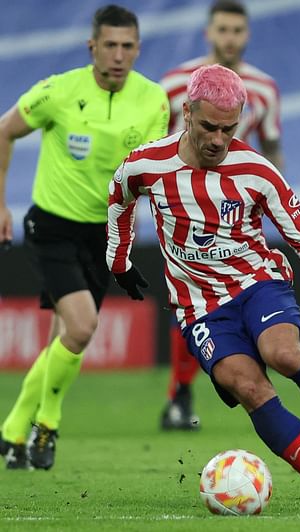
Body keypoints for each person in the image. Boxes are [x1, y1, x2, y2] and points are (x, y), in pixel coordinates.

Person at [107, 64, 300, 517]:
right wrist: (118, 261)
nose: (218, 139)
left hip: (259, 283)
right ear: (187, 112)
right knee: (248, 385)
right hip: (199, 307)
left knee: (284, 355)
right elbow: (118, 197)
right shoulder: (146, 164)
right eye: (208, 127)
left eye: (229, 129)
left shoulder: (257, 170)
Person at [0, 5, 169, 470]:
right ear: (92, 47)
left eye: (127, 46)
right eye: (109, 45)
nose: (118, 55)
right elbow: (5, 130)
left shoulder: (153, 100)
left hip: (104, 233)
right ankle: (47, 424)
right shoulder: (57, 91)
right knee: (81, 326)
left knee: (66, 336)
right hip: (52, 227)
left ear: (137, 48)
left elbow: (146, 172)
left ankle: (14, 430)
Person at [157, 0, 283, 431]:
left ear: (246, 35)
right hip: (184, 212)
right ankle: (181, 392)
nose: (229, 38)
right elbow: (156, 148)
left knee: (237, 299)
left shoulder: (263, 88)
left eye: (237, 31)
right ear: (209, 33)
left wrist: (278, 204)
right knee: (191, 300)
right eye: (222, 30)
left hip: (238, 215)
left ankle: (228, 378)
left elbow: (271, 147)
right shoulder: (175, 84)